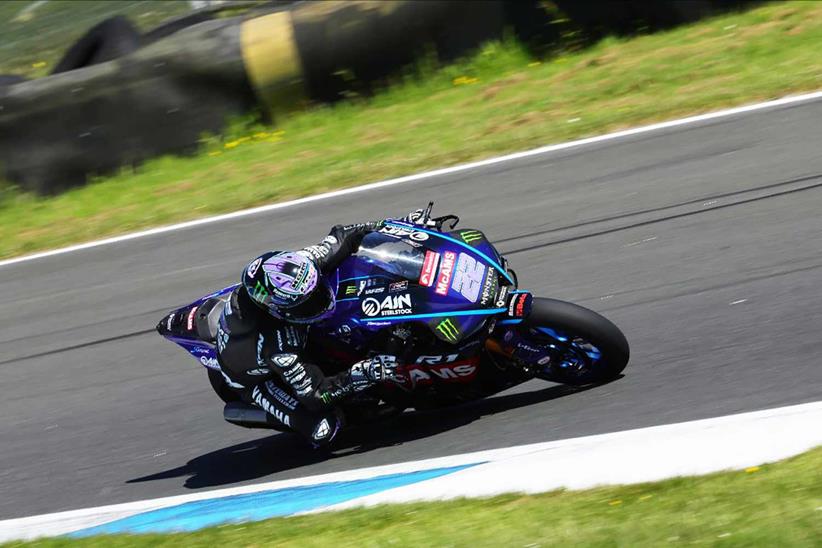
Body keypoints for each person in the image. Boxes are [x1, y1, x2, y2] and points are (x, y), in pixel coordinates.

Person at [215, 210, 432, 446]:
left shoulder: (302, 264)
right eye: (307, 304)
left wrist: (403, 225)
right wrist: (361, 374)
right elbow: (315, 394)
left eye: (317, 290)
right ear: (279, 311)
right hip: (254, 380)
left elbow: (345, 235)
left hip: (292, 331)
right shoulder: (279, 344)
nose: (320, 301)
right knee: (323, 428)